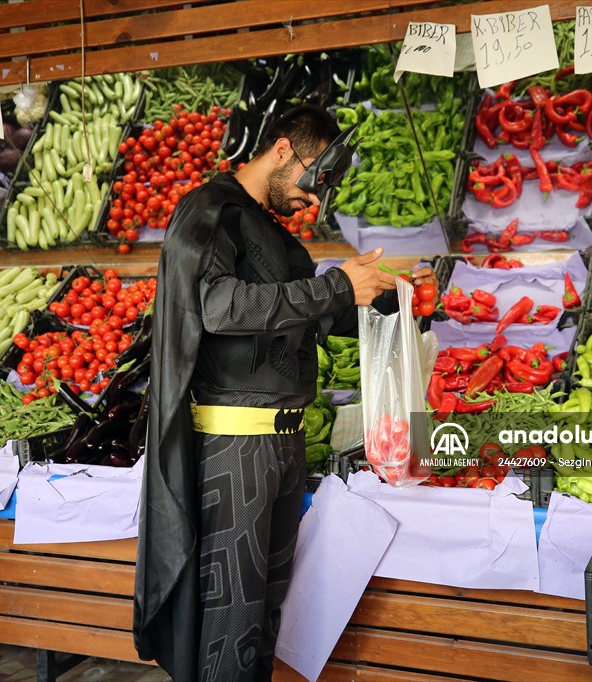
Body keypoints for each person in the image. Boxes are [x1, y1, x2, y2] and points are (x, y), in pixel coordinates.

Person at [133, 104, 437, 682]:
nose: (317, 202)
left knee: (263, 615)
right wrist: (332, 287)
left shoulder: (272, 234)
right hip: (235, 450)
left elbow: (315, 318)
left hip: (281, 449)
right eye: (315, 180)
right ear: (281, 151)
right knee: (233, 619)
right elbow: (218, 308)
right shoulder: (212, 212)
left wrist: (394, 297)